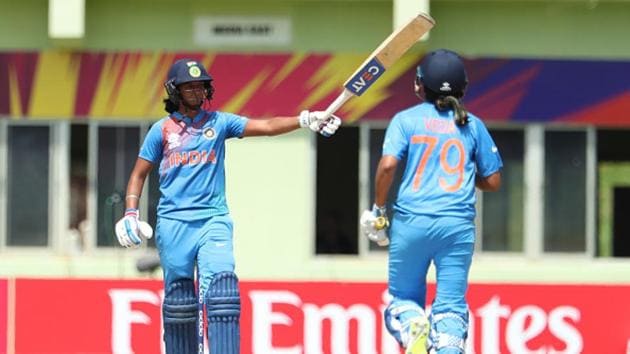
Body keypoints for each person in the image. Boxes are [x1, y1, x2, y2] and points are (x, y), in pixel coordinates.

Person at [114, 58, 341, 354]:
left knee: (223, 291)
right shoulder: (162, 130)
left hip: (213, 219)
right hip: (173, 224)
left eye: (200, 86)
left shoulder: (219, 123)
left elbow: (268, 126)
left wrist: (306, 120)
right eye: (189, 86)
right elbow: (138, 174)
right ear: (174, 91)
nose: (196, 91)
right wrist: (131, 212)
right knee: (180, 303)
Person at [360, 49, 502, 354]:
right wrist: (465, 175)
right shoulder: (473, 124)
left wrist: (379, 209)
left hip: (412, 223)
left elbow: (387, 166)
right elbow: (493, 181)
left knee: (403, 301)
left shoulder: (406, 120)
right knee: (451, 308)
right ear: (463, 88)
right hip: (457, 228)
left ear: (419, 86)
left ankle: (413, 323)